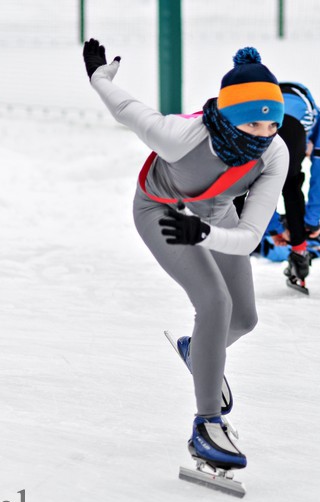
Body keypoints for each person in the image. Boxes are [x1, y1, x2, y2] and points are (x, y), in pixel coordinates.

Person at [83, 39, 288, 471]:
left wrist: (207, 232)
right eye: (253, 124)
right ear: (229, 116)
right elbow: (127, 109)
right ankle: (206, 425)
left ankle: (199, 350)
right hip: (162, 211)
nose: (264, 135)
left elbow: (250, 236)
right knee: (214, 303)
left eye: (273, 124)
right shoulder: (179, 137)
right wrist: (100, 77)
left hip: (214, 217)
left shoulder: (274, 154)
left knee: (243, 319)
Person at [236, 82, 320, 292]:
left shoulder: (274, 102)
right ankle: (299, 255)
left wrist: (274, 227)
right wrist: (312, 221)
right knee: (291, 183)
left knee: (250, 183)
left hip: (255, 120)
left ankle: (230, 259)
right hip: (290, 125)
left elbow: (260, 187)